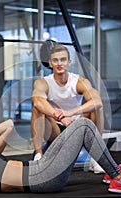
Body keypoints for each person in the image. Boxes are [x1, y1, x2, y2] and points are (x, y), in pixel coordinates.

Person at [31, 43, 104, 173]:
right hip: (55, 130)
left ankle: (95, 158)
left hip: (76, 126)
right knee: (37, 109)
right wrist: (59, 116)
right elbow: (38, 102)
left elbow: (97, 101)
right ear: (50, 63)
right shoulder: (43, 82)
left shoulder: (79, 81)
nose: (59, 63)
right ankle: (38, 156)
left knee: (97, 108)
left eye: (63, 59)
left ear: (69, 62)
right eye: (55, 60)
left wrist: (69, 113)